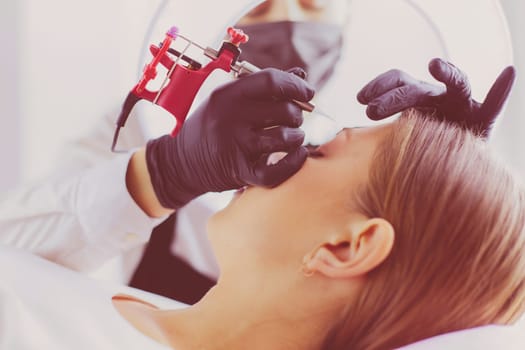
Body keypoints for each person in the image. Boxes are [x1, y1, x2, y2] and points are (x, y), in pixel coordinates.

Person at [0, 0, 516, 304]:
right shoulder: (140, 123)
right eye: (261, 2)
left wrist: (452, 185)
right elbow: (11, 254)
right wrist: (163, 173)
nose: (289, 17)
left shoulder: (379, 150)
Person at [2, 107, 523, 349]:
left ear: (345, 246)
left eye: (318, 152)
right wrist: (160, 173)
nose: (285, 149)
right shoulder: (144, 312)